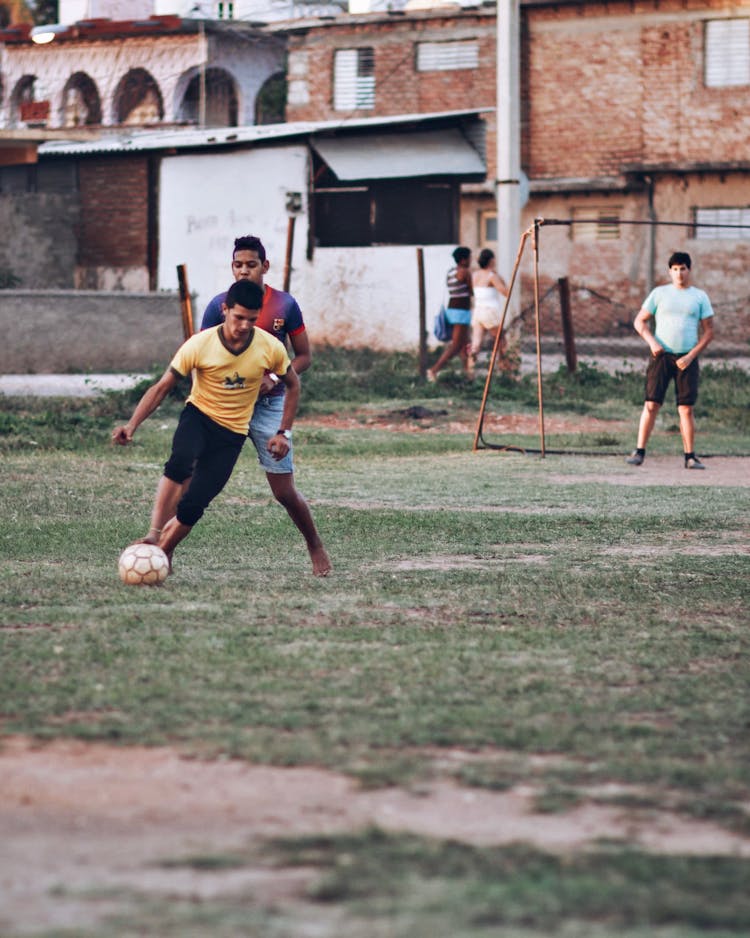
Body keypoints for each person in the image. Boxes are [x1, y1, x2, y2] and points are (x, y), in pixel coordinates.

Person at [112, 280, 299, 566]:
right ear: (225, 310)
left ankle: (162, 554)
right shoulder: (200, 344)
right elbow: (162, 387)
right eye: (238, 317)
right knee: (179, 463)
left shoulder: (269, 347)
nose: (245, 325)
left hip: (232, 434)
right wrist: (132, 425)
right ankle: (153, 535)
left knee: (193, 507)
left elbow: (293, 385)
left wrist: (283, 432)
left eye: (252, 319)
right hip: (198, 417)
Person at [201, 235, 331, 576]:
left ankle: (315, 546)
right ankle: (161, 543)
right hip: (226, 405)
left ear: (265, 266)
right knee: (197, 481)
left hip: (270, 407)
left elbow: (303, 357)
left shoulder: (285, 305)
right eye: (238, 265)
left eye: (251, 265)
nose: (244, 271)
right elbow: (200, 354)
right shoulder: (218, 306)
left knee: (284, 491)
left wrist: (273, 379)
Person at [626, 252, 715, 469]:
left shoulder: (699, 296)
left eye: (683, 268)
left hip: (687, 358)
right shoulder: (659, 293)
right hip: (661, 357)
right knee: (651, 404)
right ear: (669, 271)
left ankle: (690, 456)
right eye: (675, 269)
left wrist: (691, 355)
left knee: (685, 409)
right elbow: (640, 321)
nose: (679, 273)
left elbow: (709, 332)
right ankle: (639, 452)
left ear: (689, 270)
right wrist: (653, 343)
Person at [427, 246, 474, 382]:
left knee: (465, 343)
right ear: (463, 259)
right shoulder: (465, 272)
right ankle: (434, 370)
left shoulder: (450, 272)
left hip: (452, 309)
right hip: (461, 311)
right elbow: (471, 291)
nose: (471, 260)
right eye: (469, 257)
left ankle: (467, 374)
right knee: (456, 345)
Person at [468, 248, 509, 374]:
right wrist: (499, 277)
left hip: (478, 311)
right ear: (491, 261)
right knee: (501, 341)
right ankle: (504, 368)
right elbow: (506, 292)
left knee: (476, 343)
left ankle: (470, 371)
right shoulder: (492, 276)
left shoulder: (475, 275)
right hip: (490, 312)